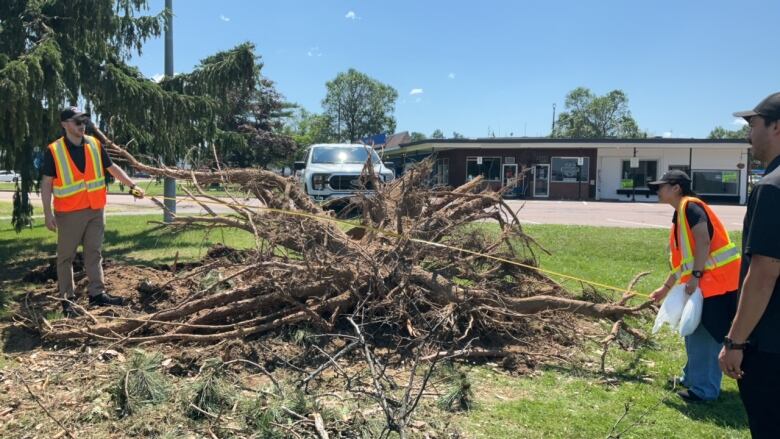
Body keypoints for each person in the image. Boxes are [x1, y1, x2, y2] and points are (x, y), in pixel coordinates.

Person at [41, 107, 145, 318]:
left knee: (94, 253)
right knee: (65, 258)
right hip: (69, 213)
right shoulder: (54, 150)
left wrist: (132, 184)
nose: (81, 125)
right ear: (64, 124)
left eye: (83, 121)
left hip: (96, 209)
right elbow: (46, 183)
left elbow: (112, 167)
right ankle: (67, 301)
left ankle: (97, 294)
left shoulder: (94, 144)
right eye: (76, 122)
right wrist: (47, 213)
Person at [648, 170, 740, 402]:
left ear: (676, 187)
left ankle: (704, 390)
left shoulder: (690, 207)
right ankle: (692, 378)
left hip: (717, 285)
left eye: (661, 186)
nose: (658, 191)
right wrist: (665, 288)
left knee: (705, 335)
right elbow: (684, 263)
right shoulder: (681, 213)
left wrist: (697, 275)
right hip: (706, 284)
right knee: (692, 332)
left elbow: (703, 240)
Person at [719, 92, 780, 438]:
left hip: (771, 348)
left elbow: (764, 275)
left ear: (776, 127)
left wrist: (735, 342)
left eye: (752, 123)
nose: (748, 132)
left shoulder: (772, 188)